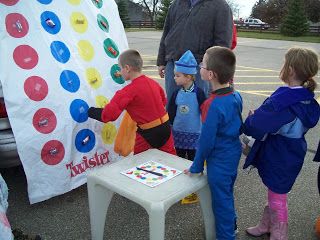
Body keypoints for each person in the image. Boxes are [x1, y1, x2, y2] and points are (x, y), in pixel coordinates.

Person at [243, 47, 320, 240]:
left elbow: (259, 124)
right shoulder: (306, 99)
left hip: (279, 153)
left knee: (277, 194)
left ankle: (279, 233)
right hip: (293, 151)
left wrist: (252, 119)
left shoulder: (285, 101)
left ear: (291, 70)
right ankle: (267, 224)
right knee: (276, 192)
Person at [185, 46, 243, 239]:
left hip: (219, 160)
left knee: (220, 201)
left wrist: (196, 166)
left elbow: (206, 141)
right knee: (226, 193)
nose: (199, 67)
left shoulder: (211, 105)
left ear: (210, 74)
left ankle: (226, 235)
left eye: (202, 64)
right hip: (232, 153)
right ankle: (231, 223)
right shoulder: (236, 95)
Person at [88, 49, 176, 155]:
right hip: (165, 128)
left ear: (127, 68)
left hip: (147, 134)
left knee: (139, 165)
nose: (120, 72)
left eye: (120, 68)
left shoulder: (127, 92)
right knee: (171, 163)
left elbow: (108, 115)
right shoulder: (153, 83)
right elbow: (163, 101)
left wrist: (90, 111)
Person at [157, 0, 233, 105]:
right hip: (174, 64)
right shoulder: (176, 4)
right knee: (173, 105)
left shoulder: (220, 6)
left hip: (199, 67)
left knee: (198, 107)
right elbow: (166, 32)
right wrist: (161, 61)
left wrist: (210, 67)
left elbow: (222, 43)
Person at [168, 50, 206, 204]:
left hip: (194, 133)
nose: (174, 77)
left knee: (192, 160)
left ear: (189, 76)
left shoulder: (199, 93)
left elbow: (204, 111)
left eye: (178, 75)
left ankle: (193, 189)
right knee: (178, 159)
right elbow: (170, 111)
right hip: (178, 133)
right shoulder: (176, 93)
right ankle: (179, 187)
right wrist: (168, 125)